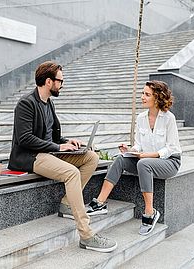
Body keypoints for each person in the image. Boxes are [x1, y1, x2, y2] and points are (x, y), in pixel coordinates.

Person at [8, 61, 117, 252]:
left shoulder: (49, 104)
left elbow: (53, 136)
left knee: (91, 157)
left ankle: (67, 204)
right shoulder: (26, 104)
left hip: (50, 152)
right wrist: (58, 146)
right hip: (31, 156)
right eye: (60, 81)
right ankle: (86, 234)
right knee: (71, 173)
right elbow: (24, 139)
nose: (62, 85)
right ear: (49, 81)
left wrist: (70, 141)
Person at [86, 80, 182, 236]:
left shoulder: (168, 118)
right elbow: (138, 145)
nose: (142, 97)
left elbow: (170, 148)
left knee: (144, 164)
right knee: (120, 159)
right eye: (142, 93)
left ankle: (150, 213)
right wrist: (131, 150)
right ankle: (100, 203)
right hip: (146, 161)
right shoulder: (141, 118)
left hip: (170, 162)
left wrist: (146, 155)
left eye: (147, 94)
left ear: (157, 97)